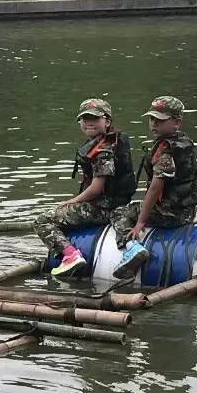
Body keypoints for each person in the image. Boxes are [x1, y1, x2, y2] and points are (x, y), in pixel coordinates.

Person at [33, 98, 136, 280]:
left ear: (107, 121)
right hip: (114, 205)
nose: (89, 122)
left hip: (104, 209)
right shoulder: (109, 142)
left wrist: (71, 202)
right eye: (85, 118)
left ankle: (70, 256)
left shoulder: (103, 149)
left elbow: (97, 188)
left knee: (42, 221)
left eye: (95, 118)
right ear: (79, 122)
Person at [111, 95, 197, 279]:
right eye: (152, 119)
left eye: (160, 120)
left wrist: (140, 223)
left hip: (171, 215)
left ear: (176, 122)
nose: (154, 124)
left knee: (119, 212)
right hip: (187, 212)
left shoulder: (165, 150)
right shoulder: (183, 142)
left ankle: (131, 248)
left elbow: (156, 188)